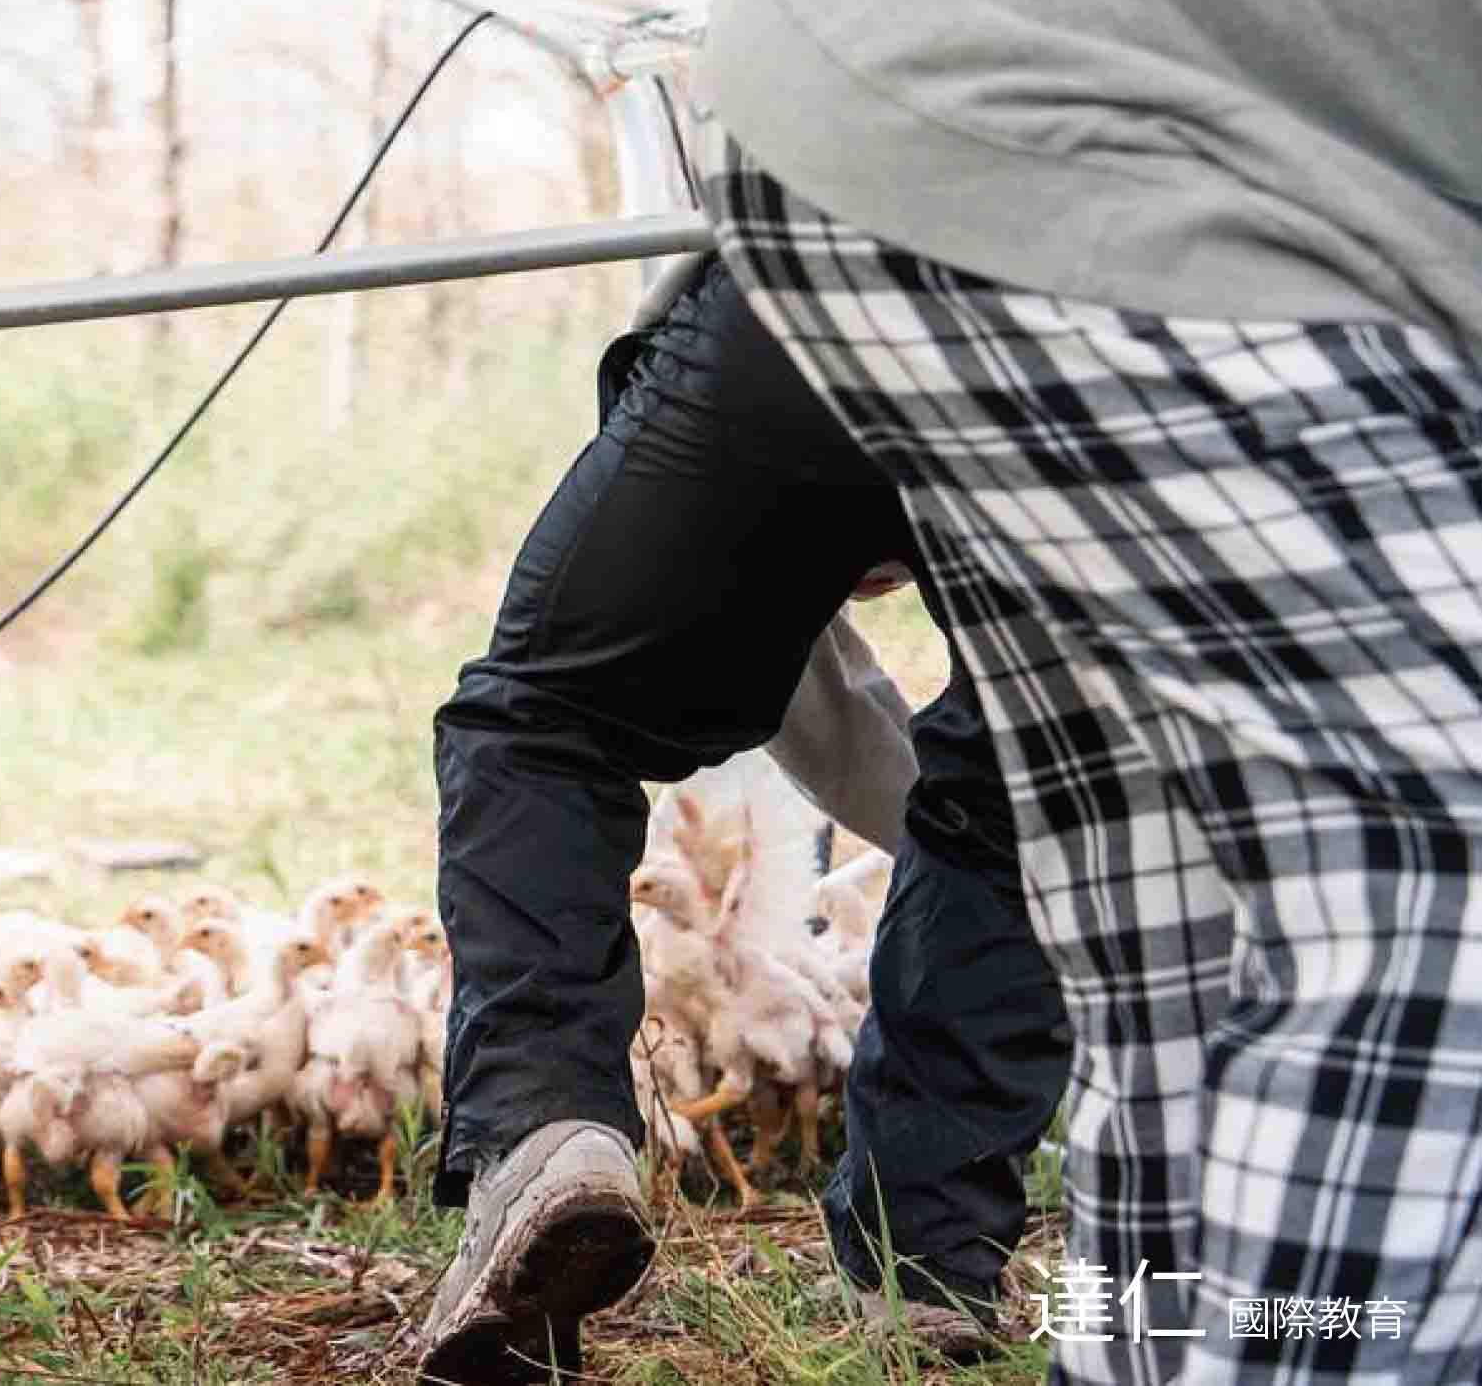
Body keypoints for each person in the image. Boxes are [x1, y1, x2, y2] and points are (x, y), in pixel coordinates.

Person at [701, 0, 1482, 1385]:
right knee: (1439, 839)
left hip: (867, 76)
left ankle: (1153, 1347)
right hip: (1068, 119)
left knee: (1172, 929)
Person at [419, 251, 1070, 1380]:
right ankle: (925, 1260)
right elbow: (873, 748)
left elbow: (832, 723)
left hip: (804, 284)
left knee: (544, 716)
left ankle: (542, 1126)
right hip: (1097, 324)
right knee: (1030, 768)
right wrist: (992, 809)